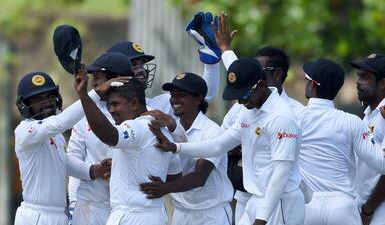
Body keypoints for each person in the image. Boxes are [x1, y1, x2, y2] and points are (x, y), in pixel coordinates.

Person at [150, 57, 305, 225]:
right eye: (237, 97)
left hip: (280, 201)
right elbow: (219, 145)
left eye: (244, 95)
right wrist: (176, 147)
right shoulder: (248, 111)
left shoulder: (282, 117)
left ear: (261, 85)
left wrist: (261, 219)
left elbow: (281, 173)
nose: (240, 102)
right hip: (256, 199)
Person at [214, 12, 305, 224]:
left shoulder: (292, 112)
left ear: (278, 74)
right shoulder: (246, 101)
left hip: (277, 200)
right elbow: (240, 74)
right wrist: (225, 50)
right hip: (246, 196)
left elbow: (287, 168)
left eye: (260, 70)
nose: (254, 74)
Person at [75, 73, 184, 225]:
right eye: (109, 105)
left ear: (133, 103)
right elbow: (175, 175)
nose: (111, 110)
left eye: (115, 104)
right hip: (154, 215)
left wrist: (83, 96)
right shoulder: (164, 131)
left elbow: (108, 136)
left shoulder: (137, 126)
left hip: (133, 217)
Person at [298, 58, 385, 225]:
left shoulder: (293, 118)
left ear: (312, 85)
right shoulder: (353, 121)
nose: (359, 82)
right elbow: (382, 165)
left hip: (308, 206)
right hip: (343, 207)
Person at [139, 73, 233, 225]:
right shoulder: (169, 128)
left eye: (181, 95)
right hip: (181, 213)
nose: (174, 100)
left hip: (211, 215)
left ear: (198, 99)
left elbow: (199, 177)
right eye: (172, 94)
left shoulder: (212, 131)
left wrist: (164, 188)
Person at [13, 69, 103, 225]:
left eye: (49, 97)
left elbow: (63, 162)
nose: (47, 103)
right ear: (26, 105)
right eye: (38, 99)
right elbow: (62, 122)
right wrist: (93, 94)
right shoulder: (24, 131)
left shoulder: (55, 135)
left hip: (59, 214)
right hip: (35, 215)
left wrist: (93, 170)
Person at [66, 52, 133, 225]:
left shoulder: (139, 109)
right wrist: (95, 171)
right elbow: (70, 160)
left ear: (118, 79)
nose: (94, 84)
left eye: (98, 77)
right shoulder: (85, 112)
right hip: (90, 206)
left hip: (128, 207)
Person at [351, 54, 385, 225]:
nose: (358, 81)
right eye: (358, 76)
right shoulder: (369, 114)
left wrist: (368, 209)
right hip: (364, 207)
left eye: (365, 77)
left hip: (378, 210)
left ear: (383, 83)